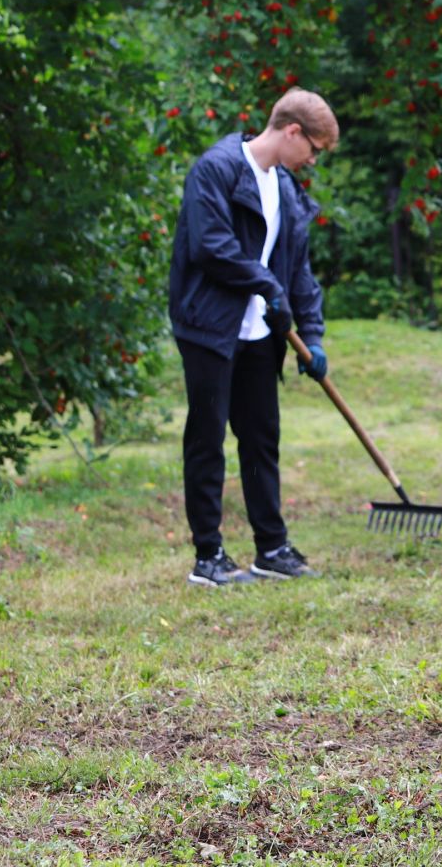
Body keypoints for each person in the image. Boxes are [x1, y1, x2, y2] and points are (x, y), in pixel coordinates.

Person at [168, 89, 339, 587]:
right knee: (207, 437)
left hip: (260, 333)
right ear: (292, 132)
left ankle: (272, 548)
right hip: (209, 327)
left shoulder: (284, 187)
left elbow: (299, 271)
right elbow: (210, 247)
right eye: (314, 148)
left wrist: (313, 334)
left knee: (261, 437)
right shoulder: (216, 170)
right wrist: (267, 286)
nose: (312, 159)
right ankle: (209, 556)